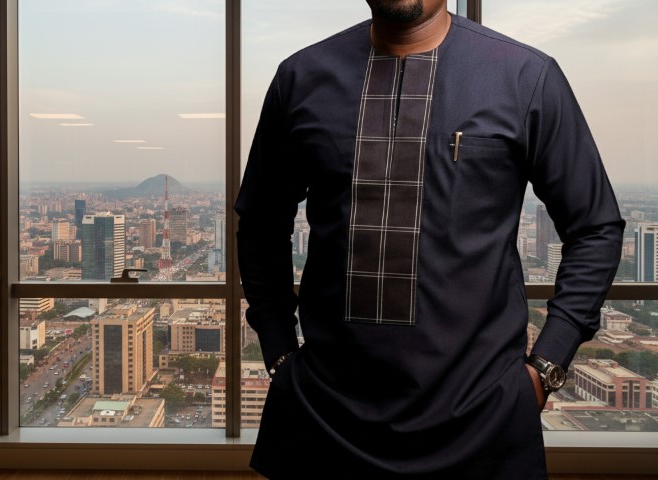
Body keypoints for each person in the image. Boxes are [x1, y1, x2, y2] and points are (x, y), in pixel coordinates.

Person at [235, 0, 625, 478]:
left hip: (482, 419)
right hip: (324, 416)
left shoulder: (526, 76)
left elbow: (595, 227)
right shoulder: (300, 77)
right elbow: (259, 223)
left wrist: (545, 369)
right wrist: (277, 349)